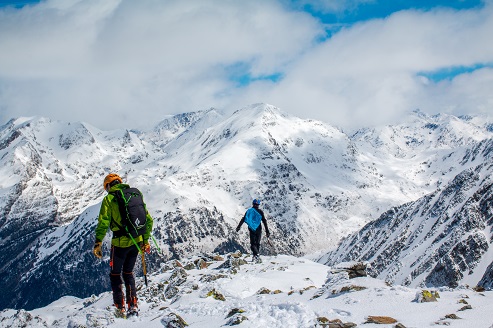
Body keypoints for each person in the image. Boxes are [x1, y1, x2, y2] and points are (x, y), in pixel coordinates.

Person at [93, 173, 153, 318]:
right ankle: (133, 304)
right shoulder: (134, 195)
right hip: (136, 241)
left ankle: (119, 306)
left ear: (107, 186)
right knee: (128, 273)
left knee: (115, 274)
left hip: (119, 243)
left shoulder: (109, 199)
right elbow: (148, 220)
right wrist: (144, 241)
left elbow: (103, 222)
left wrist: (98, 242)